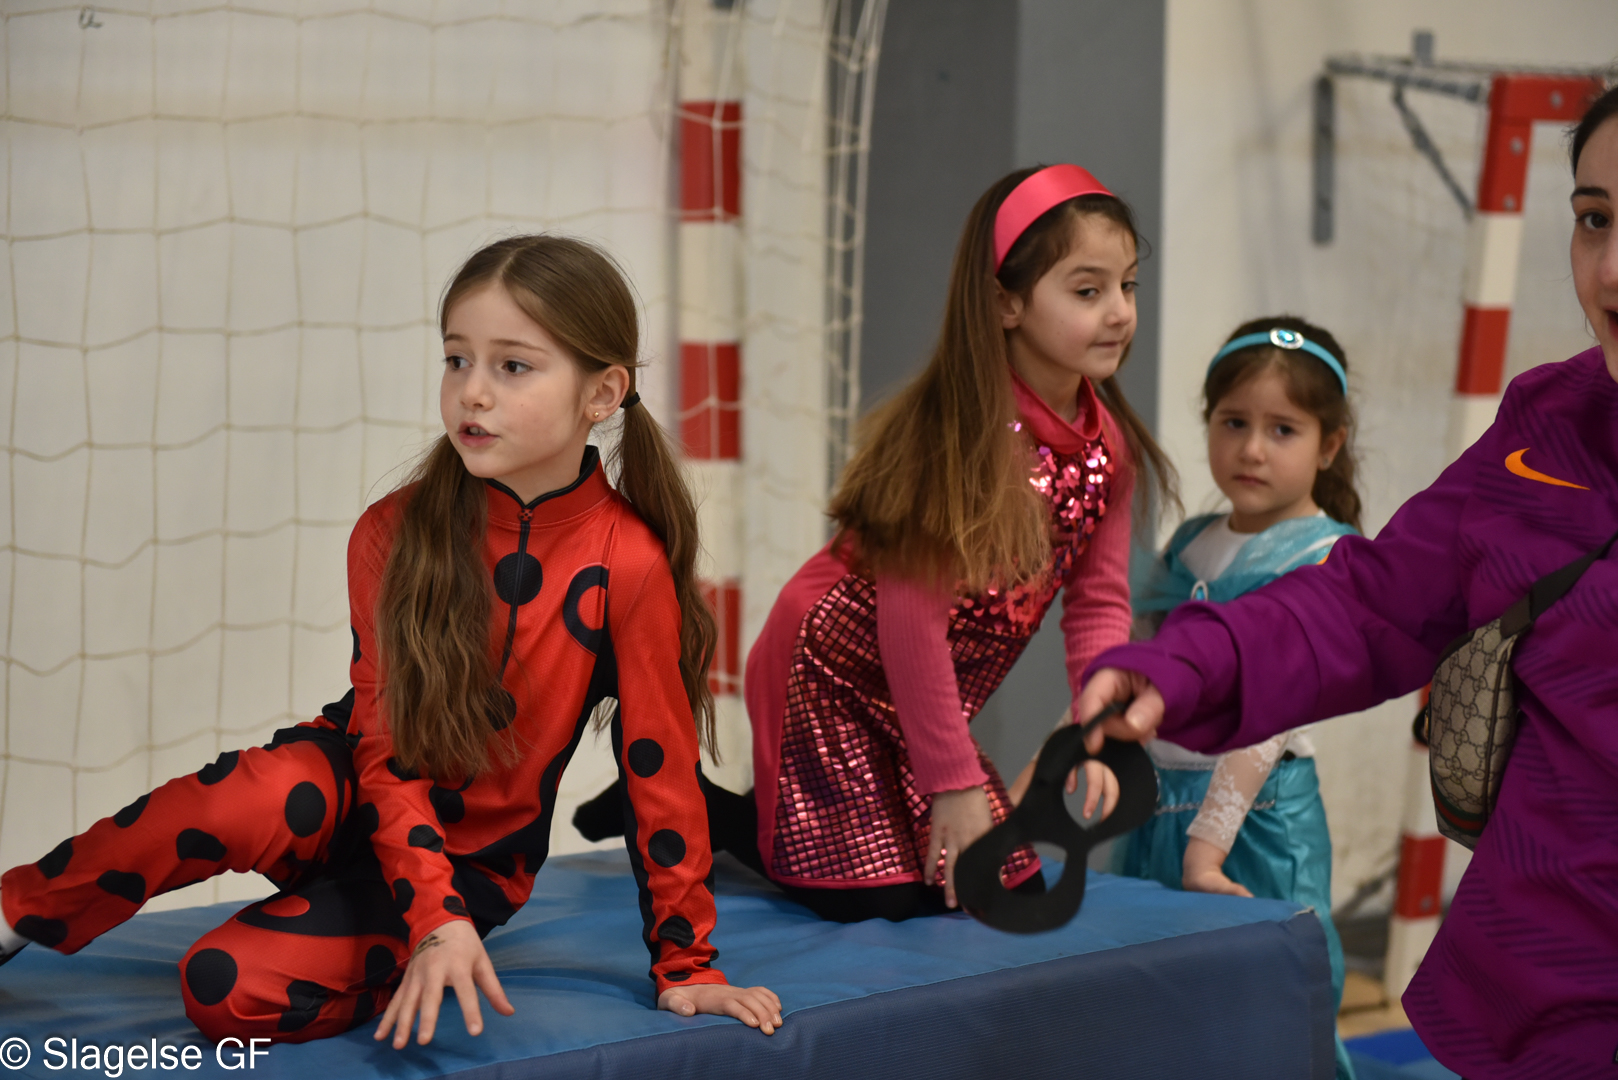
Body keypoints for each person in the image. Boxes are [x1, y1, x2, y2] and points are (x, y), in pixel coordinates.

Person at [0, 235, 782, 1047]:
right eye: (456, 359)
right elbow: (385, 749)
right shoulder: (392, 530)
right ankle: (15, 911)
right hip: (353, 789)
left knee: (223, 987)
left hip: (472, 864)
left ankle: (389, 952)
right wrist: (433, 921)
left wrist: (688, 967)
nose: (472, 391)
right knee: (233, 798)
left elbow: (660, 775)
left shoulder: (630, 563)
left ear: (602, 393)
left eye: (513, 366)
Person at [1078, 86, 1618, 1079]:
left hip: (1261, 840)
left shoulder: (1304, 532)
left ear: (1326, 447)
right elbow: (1373, 599)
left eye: (1281, 429)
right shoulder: (1548, 420)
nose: (1612, 268)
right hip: (1545, 978)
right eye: (1594, 219)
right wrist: (1180, 666)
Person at [737, 164, 1175, 922]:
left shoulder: (1110, 449)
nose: (1119, 313)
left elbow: (1098, 603)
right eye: (1087, 290)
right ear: (1006, 302)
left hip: (920, 695)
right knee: (881, 901)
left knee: (997, 891)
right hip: (829, 672)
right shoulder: (952, 443)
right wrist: (954, 781)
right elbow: (911, 624)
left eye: (1128, 286)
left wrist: (1094, 719)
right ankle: (735, 820)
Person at [1122, 315, 1360, 1080]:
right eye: (1234, 423)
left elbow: (1275, 709)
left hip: (1252, 823)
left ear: (1329, 444)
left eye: (1282, 429)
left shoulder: (1326, 554)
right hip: (1158, 810)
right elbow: (1136, 672)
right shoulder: (1189, 542)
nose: (1253, 449)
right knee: (1157, 1006)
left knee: (1264, 1008)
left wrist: (1209, 842)